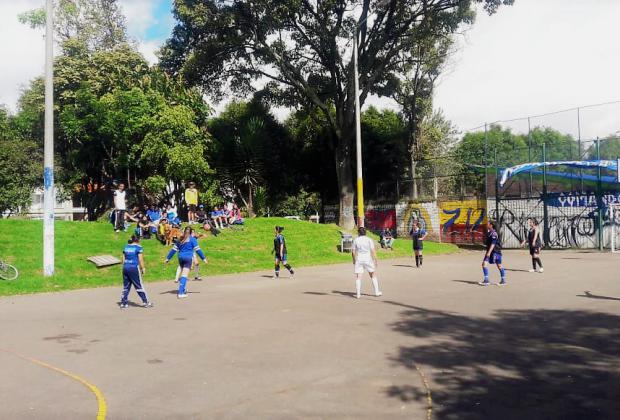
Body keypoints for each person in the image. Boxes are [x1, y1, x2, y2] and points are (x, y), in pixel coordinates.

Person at [165, 227, 208, 298]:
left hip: (180, 258)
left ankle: (183, 288)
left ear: (184, 232)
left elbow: (173, 250)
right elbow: (198, 250)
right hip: (188, 258)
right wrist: (204, 258)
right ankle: (181, 293)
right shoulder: (193, 239)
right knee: (184, 275)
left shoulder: (180, 239)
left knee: (183, 274)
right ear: (191, 233)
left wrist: (167, 258)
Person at [119, 235, 152, 308]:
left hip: (126, 267)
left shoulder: (126, 247)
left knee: (126, 286)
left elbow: (123, 259)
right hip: (134, 267)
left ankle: (123, 303)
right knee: (138, 285)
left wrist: (124, 266)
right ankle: (145, 302)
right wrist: (143, 268)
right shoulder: (138, 247)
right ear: (138, 240)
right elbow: (140, 259)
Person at [352, 226, 382, 299]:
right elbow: (373, 251)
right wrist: (376, 260)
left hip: (359, 259)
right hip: (368, 259)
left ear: (359, 232)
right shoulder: (369, 240)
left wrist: (354, 260)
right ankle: (376, 292)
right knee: (373, 275)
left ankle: (358, 294)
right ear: (365, 232)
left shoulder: (356, 240)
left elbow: (353, 252)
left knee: (359, 276)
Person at [479, 220, 506, 286]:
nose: (486, 225)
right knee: (484, 264)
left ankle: (503, 280)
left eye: (488, 224)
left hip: (495, 252)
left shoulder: (494, 234)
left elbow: (493, 244)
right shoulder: (489, 233)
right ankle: (486, 280)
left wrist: (489, 253)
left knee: (499, 266)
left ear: (491, 225)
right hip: (490, 251)